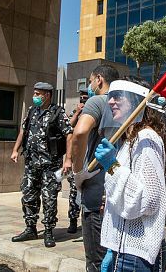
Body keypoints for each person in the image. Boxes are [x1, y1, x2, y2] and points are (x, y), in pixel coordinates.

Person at [94, 81, 166, 272]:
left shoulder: (146, 139)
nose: (111, 101)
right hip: (123, 248)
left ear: (136, 101)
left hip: (136, 255)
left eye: (118, 96)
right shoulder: (130, 140)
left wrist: (112, 166)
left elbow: (149, 201)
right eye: (110, 96)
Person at [70, 64, 120, 272]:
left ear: (99, 79)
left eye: (91, 81)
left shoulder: (97, 101)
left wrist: (78, 172)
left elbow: (80, 133)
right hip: (116, 193)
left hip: (95, 192)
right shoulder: (125, 105)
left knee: (96, 263)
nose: (90, 86)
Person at [11, 82, 72, 247]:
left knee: (49, 198)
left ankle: (49, 231)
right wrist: (15, 150)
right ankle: (30, 228)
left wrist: (68, 159)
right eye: (34, 93)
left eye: (38, 94)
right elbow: (23, 131)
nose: (35, 96)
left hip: (50, 165)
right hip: (31, 163)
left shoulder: (58, 112)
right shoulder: (32, 111)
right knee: (28, 195)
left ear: (47, 95)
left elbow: (69, 135)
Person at [63, 92, 89, 234]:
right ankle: (73, 220)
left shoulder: (95, 110)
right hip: (77, 158)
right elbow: (68, 127)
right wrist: (78, 112)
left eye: (86, 98)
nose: (83, 100)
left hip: (89, 158)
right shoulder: (76, 112)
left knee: (88, 190)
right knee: (74, 191)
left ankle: (87, 220)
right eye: (82, 98)